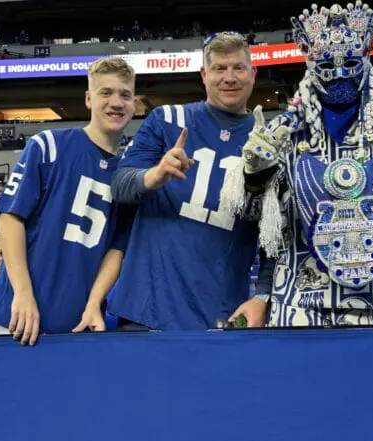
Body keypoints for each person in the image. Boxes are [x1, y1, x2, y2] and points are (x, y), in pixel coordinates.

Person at [221, 1, 373, 327]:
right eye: (328, 64)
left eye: (349, 62)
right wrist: (253, 174)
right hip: (300, 307)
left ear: (366, 59)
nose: (340, 72)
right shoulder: (282, 136)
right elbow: (255, 217)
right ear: (310, 63)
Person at [103, 31, 261, 331]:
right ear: (204, 75)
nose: (229, 77)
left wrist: (263, 294)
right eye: (219, 68)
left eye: (238, 68)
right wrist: (154, 175)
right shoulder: (167, 120)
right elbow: (120, 185)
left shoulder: (266, 139)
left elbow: (273, 237)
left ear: (253, 74)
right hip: (148, 310)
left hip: (222, 314)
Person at [0, 57, 137, 346]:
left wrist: (93, 303)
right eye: (106, 92)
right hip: (18, 317)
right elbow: (10, 219)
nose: (116, 102)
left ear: (134, 104)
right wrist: (23, 293)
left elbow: (117, 248)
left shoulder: (128, 174)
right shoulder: (49, 145)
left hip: (80, 323)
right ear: (89, 99)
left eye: (125, 94)